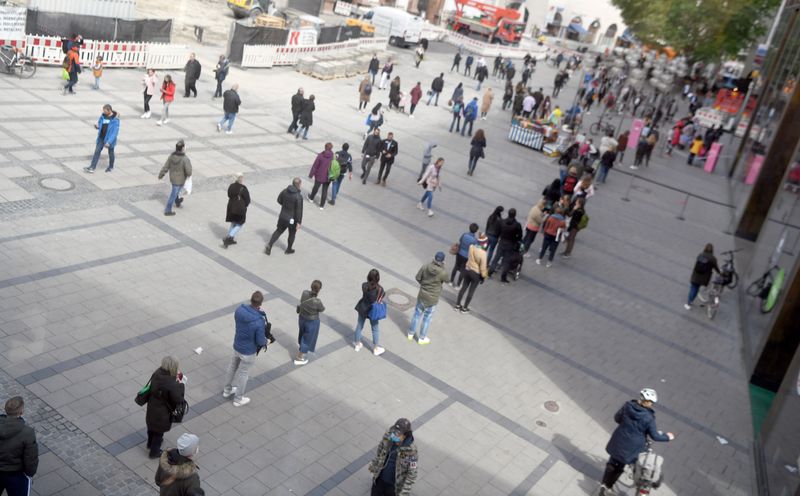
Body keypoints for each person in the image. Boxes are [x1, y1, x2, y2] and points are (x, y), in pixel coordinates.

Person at [598, 389, 674, 496]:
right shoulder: (649, 417)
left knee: (613, 463)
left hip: (619, 440)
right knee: (633, 463)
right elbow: (655, 436)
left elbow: (617, 418)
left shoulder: (628, 406)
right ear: (651, 403)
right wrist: (667, 437)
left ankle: (605, 487)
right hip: (633, 447)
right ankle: (641, 487)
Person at [222, 291, 269, 407]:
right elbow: (259, 341)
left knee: (232, 367)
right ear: (260, 303)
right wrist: (266, 341)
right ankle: (238, 399)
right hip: (248, 351)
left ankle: (227, 390)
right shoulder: (259, 321)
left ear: (251, 299)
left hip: (237, 344)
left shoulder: (239, 310)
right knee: (243, 373)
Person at [145, 356, 186, 458]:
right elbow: (178, 399)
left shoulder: (157, 372)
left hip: (152, 407)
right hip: (163, 413)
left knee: (151, 427)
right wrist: (181, 384)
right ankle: (154, 452)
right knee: (159, 433)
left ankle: (150, 443)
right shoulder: (172, 383)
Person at [368, 418, 417, 496]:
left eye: (398, 434)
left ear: (405, 435)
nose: (394, 435)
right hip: (379, 479)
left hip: (394, 486)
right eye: (395, 432)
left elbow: (412, 473)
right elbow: (380, 450)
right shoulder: (388, 436)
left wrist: (405, 491)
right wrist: (375, 464)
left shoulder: (411, 451)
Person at [0, 396, 38, 496]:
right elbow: (31, 459)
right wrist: (29, 474)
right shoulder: (27, 433)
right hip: (16, 474)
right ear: (21, 412)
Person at [408, 251, 449, 344]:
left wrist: (424, 285)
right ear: (443, 261)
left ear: (434, 258)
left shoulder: (425, 266)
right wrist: (443, 267)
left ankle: (410, 333)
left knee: (416, 315)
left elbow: (417, 277)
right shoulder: (443, 272)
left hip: (422, 295)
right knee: (426, 318)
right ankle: (421, 338)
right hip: (433, 299)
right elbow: (447, 280)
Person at [265, 178, 303, 255]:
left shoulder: (285, 191)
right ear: (299, 185)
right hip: (292, 219)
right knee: (292, 234)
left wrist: (285, 205)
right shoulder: (298, 196)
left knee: (278, 231)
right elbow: (299, 211)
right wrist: (299, 222)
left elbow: (279, 200)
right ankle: (289, 249)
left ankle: (269, 245)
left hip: (282, 216)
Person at [454, 233, 489, 313]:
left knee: (463, 288)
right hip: (475, 274)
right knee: (471, 291)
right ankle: (464, 308)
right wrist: (484, 276)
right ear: (485, 243)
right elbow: (483, 268)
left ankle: (457, 305)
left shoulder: (471, 247)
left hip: (468, 269)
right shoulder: (483, 254)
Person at [354, 269, 385, 355]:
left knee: (359, 326)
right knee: (375, 329)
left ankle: (357, 344)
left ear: (368, 276)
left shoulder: (364, 285)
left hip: (363, 308)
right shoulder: (380, 289)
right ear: (378, 278)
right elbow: (379, 300)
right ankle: (375, 349)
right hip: (373, 311)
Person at [158, 140, 192, 216]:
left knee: (175, 191)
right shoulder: (185, 159)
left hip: (173, 179)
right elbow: (189, 172)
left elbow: (165, 167)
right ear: (182, 148)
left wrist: (161, 175)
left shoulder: (171, 157)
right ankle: (167, 210)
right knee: (173, 194)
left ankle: (177, 201)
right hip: (180, 180)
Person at [488, 208, 522, 283]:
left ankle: (489, 272)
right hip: (510, 244)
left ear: (508, 214)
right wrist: (515, 240)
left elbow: (497, 232)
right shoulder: (517, 225)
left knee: (496, 258)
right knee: (506, 261)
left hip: (502, 242)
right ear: (515, 215)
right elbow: (520, 236)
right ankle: (503, 277)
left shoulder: (502, 222)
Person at [83, 104, 119, 174]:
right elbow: (100, 123)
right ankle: (92, 167)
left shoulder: (115, 120)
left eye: (105, 111)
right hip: (101, 138)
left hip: (109, 140)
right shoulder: (103, 116)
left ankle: (111, 166)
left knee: (111, 153)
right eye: (103, 111)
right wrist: (97, 126)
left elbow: (114, 133)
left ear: (109, 110)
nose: (103, 112)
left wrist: (109, 142)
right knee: (97, 151)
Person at [295, 280, 325, 365]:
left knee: (302, 333)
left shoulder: (304, 293)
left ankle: (302, 348)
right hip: (312, 321)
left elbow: (301, 301)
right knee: (307, 338)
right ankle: (299, 357)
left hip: (302, 318)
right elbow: (322, 309)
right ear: (319, 290)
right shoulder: (317, 301)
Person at [685, 243, 720, 310]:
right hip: (704, 278)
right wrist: (720, 273)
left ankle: (689, 303)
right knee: (696, 288)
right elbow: (716, 268)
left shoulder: (700, 255)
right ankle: (691, 301)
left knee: (693, 288)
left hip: (696, 275)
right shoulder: (713, 259)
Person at [223, 172, 250, 248]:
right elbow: (247, 200)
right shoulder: (243, 188)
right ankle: (229, 237)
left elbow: (229, 195)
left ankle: (229, 237)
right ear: (241, 179)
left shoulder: (231, 186)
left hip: (231, 207)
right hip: (239, 209)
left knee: (233, 222)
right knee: (240, 223)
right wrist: (245, 205)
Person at [450, 223, 479, 289]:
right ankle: (458, 285)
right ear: (476, 231)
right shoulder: (475, 240)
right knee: (463, 270)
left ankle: (451, 281)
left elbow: (460, 240)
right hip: (466, 257)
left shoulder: (464, 234)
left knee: (456, 267)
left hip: (459, 253)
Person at [307, 142, 334, 210]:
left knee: (316, 187)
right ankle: (321, 206)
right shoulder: (333, 156)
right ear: (331, 148)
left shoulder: (321, 155)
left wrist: (311, 175)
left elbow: (315, 166)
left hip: (319, 175)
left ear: (325, 147)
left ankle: (311, 198)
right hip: (328, 176)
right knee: (325, 190)